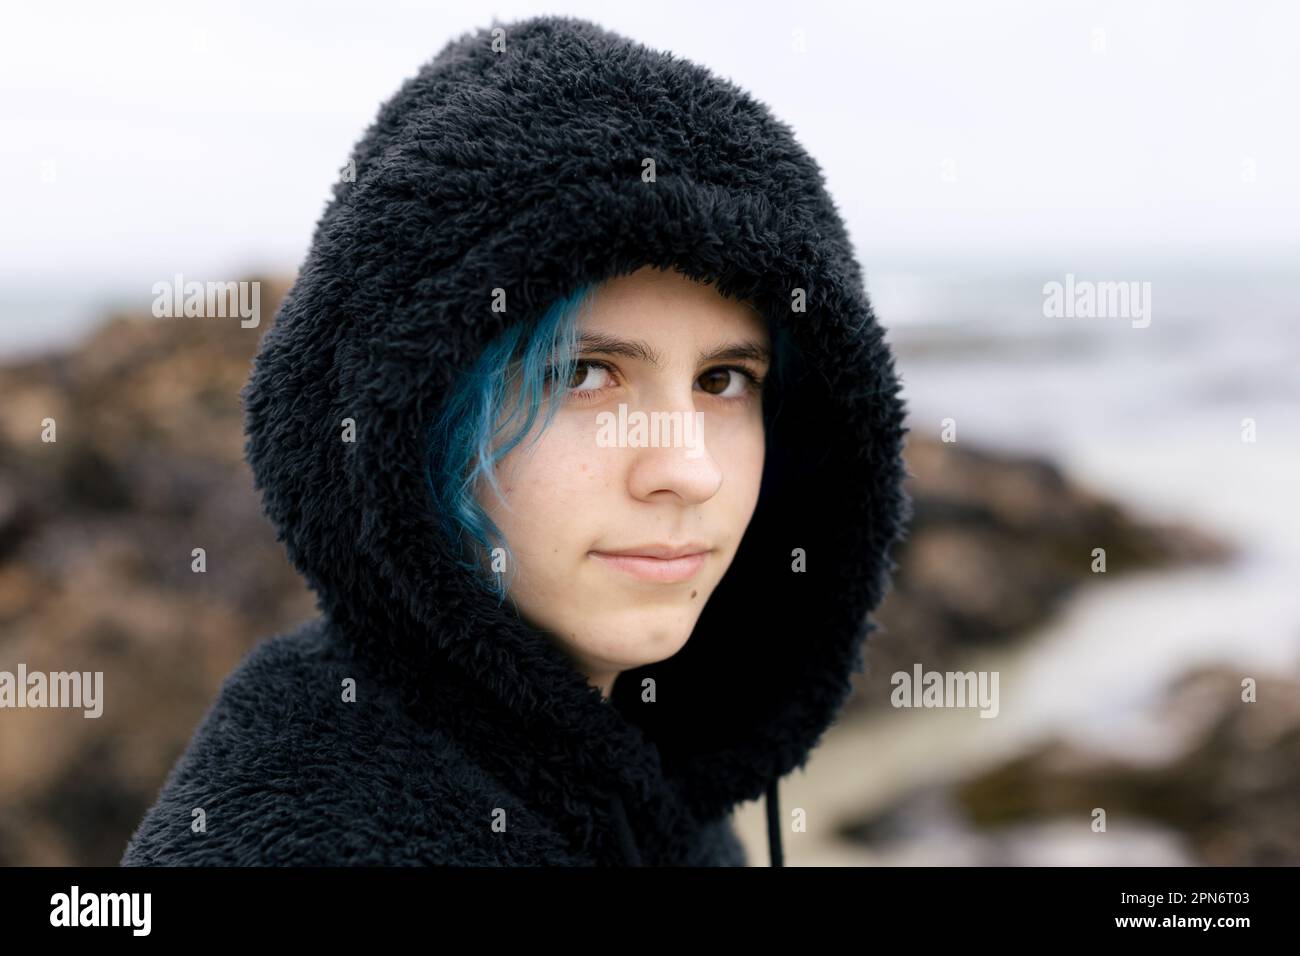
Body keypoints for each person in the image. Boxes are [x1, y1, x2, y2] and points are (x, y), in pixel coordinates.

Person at [119, 13, 911, 867]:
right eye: (584, 374)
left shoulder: (654, 790)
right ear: (412, 415)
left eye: (723, 380)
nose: (688, 470)